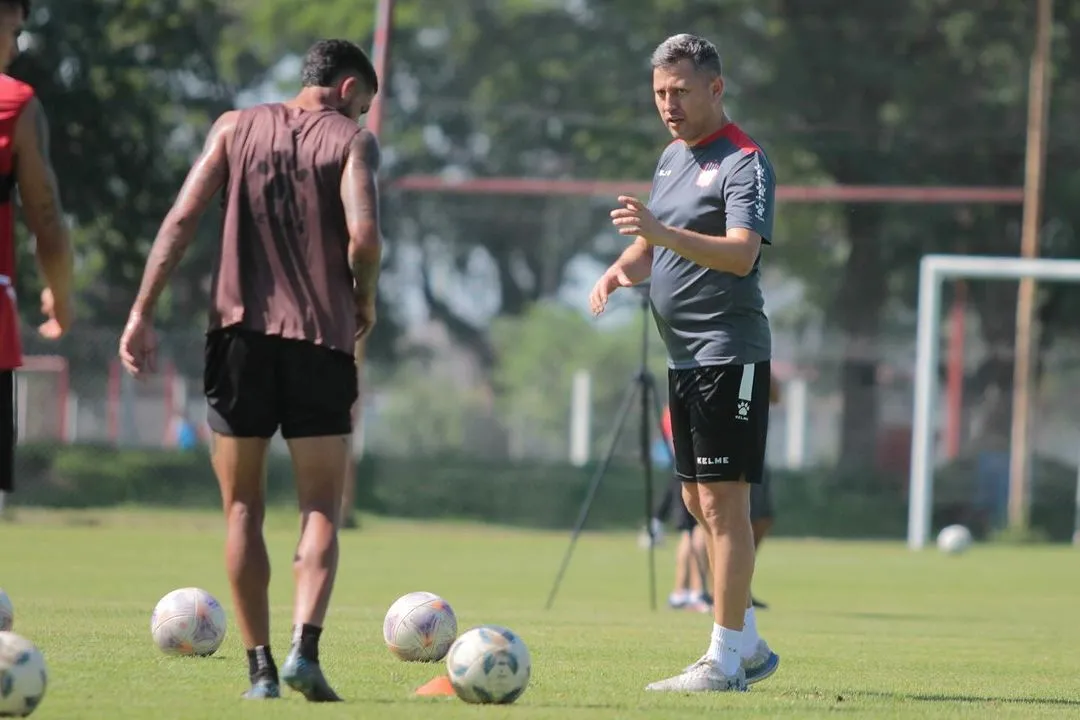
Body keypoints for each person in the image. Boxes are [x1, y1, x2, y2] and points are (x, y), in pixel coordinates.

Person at [118, 39, 383, 701]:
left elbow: (181, 218)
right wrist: (365, 298)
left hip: (237, 338)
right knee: (320, 505)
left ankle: (259, 671)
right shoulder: (352, 139)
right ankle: (305, 650)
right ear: (351, 89)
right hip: (321, 340)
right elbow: (366, 238)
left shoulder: (234, 127)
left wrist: (141, 312)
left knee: (241, 508)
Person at [590, 33, 778, 692]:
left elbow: (740, 254)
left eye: (681, 92)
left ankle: (724, 659)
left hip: (729, 352)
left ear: (715, 89)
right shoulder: (672, 158)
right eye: (660, 94)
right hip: (684, 359)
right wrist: (621, 270)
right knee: (698, 501)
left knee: (725, 507)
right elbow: (655, 248)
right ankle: (749, 647)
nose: (668, 105)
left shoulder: (744, 161)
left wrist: (662, 235)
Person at [0, 0, 74, 515]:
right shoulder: (14, 102)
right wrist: (61, 294)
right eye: (13, 26)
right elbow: (44, 217)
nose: (15, 42)